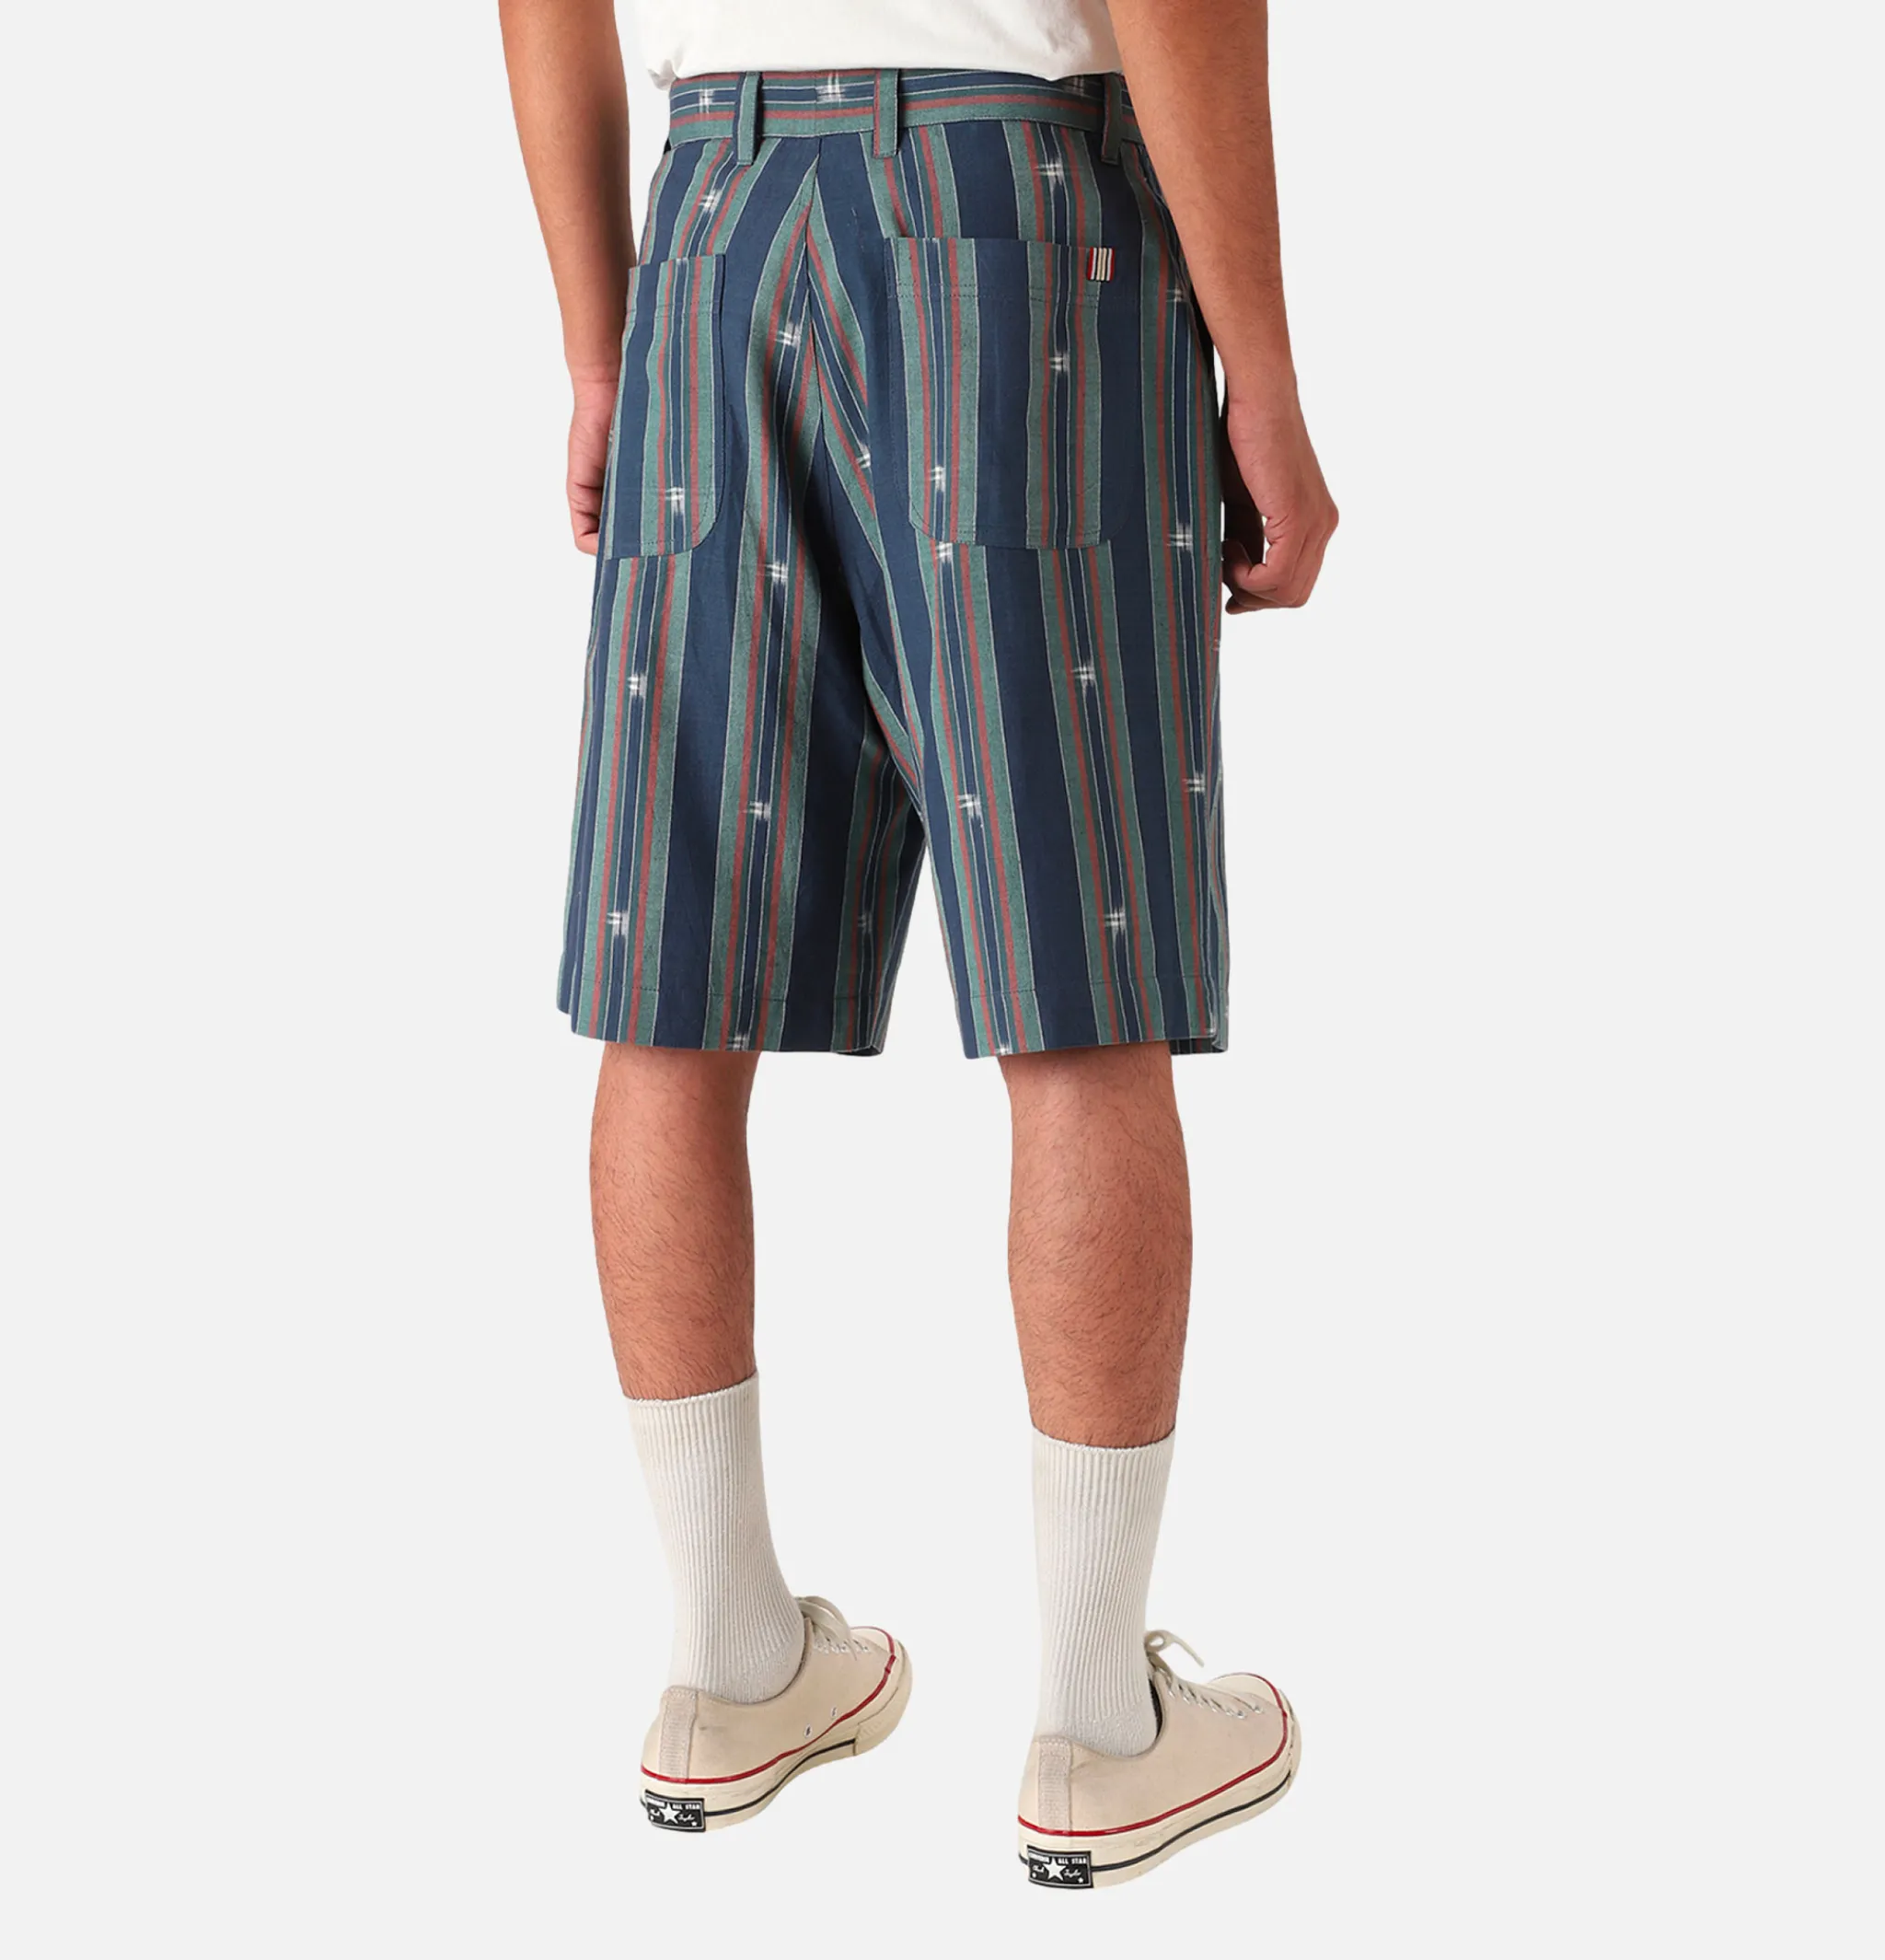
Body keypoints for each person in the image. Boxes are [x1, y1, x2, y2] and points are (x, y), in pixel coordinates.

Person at [499, 0, 1336, 1888]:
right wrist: (1265, 375)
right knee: (1079, 978)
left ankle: (730, 1666)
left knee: (670, 984)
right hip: (1005, 218)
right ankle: (1102, 1730)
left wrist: (600, 346)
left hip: (712, 229)